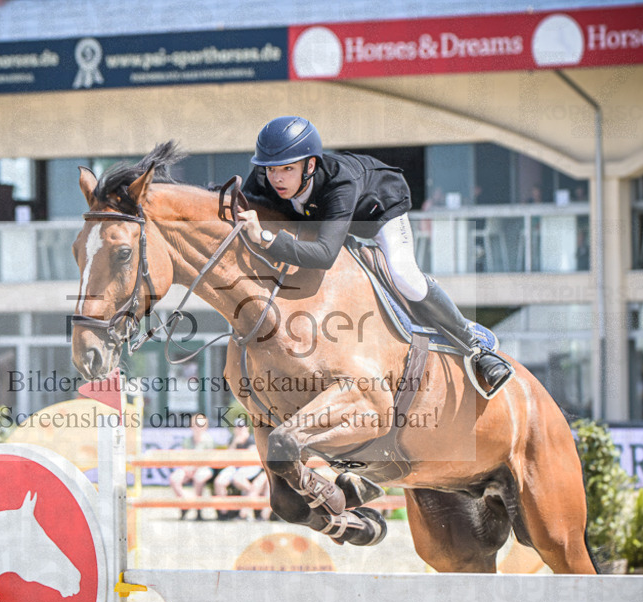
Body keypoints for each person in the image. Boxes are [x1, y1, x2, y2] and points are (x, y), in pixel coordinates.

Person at [237, 116, 512, 393]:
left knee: (404, 276)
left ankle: (475, 347)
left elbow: (324, 255)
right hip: (327, 217)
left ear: (310, 165)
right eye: (271, 170)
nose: (277, 179)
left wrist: (265, 238)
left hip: (380, 212)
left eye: (287, 169)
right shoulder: (265, 177)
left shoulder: (340, 183)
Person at [168, 413, 217, 520]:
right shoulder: (187, 440)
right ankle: (187, 503)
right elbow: (183, 456)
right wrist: (186, 468)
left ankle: (197, 509)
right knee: (174, 478)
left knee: (199, 478)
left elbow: (208, 459)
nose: (197, 428)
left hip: (204, 467)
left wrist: (193, 468)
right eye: (195, 425)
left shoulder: (209, 440)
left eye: (200, 425)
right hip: (189, 467)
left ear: (205, 427)